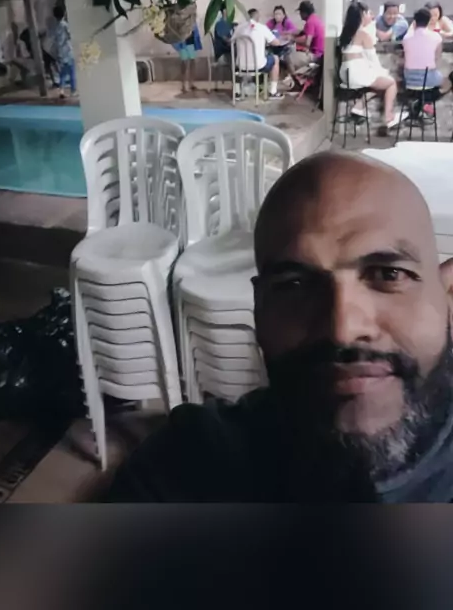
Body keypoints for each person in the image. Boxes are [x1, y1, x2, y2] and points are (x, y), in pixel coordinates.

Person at [100, 152, 453, 502]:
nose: (342, 329)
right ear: (259, 309)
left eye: (389, 275)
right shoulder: (183, 470)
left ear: (448, 296)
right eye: (294, 285)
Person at [339, 1, 400, 133]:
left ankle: (359, 106)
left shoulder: (346, 34)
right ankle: (388, 117)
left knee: (378, 85)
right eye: (367, 13)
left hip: (345, 74)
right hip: (357, 74)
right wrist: (383, 72)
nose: (371, 16)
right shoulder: (362, 34)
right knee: (391, 83)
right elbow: (373, 59)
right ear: (361, 16)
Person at [231, 8, 282, 98]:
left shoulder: (239, 28)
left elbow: (231, 41)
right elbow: (276, 43)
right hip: (259, 66)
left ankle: (237, 93)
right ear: (258, 17)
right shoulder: (261, 27)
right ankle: (273, 92)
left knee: (235, 59)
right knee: (275, 59)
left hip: (240, 67)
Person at [402, 7, 453, 95]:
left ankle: (420, 99)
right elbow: (437, 58)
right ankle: (432, 97)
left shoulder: (406, 38)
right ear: (429, 21)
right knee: (447, 83)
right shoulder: (436, 37)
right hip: (428, 77)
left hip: (409, 78)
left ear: (415, 21)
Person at [285, 0, 324, 83]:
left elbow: (307, 42)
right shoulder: (315, 18)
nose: (300, 14)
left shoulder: (310, 22)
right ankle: (299, 78)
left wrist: (292, 39)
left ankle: (297, 82)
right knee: (294, 53)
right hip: (320, 53)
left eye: (300, 12)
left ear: (305, 12)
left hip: (316, 56)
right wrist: (289, 33)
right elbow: (302, 32)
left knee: (288, 57)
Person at [52, 5, 76, 98]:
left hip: (60, 52)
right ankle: (73, 91)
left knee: (62, 73)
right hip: (68, 51)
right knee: (72, 72)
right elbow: (70, 35)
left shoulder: (55, 27)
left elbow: (55, 40)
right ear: (64, 13)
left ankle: (61, 90)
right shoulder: (65, 25)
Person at [173, 23, 202, 93]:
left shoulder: (192, 21)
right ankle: (183, 85)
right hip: (183, 42)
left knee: (192, 62)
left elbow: (194, 29)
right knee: (184, 63)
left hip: (191, 40)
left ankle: (191, 84)